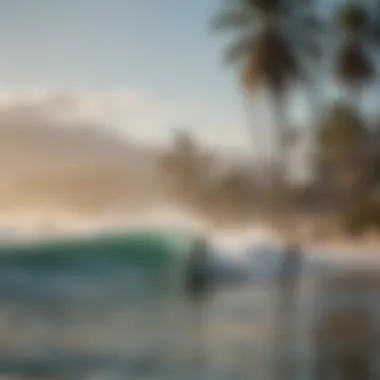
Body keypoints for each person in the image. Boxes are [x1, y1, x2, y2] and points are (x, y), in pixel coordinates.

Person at [183, 236, 211, 365]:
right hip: (196, 283)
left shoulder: (198, 254)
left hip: (197, 283)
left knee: (197, 308)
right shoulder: (196, 254)